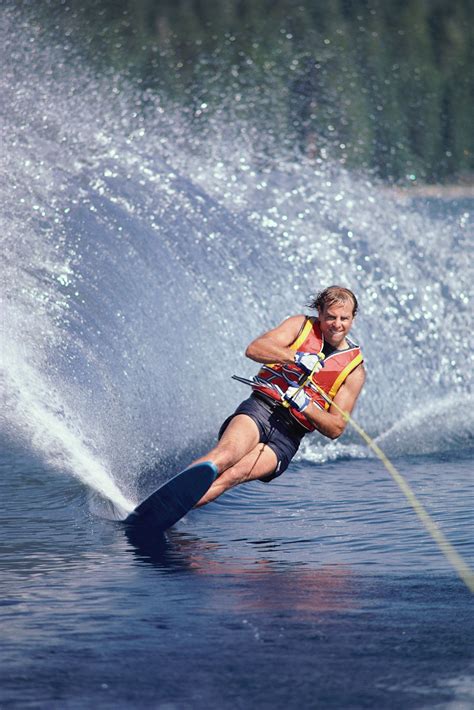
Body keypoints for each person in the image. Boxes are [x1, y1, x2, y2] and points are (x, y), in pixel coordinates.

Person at [194, 285, 365, 507]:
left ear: (353, 318)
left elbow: (336, 428)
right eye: (331, 317)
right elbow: (255, 349)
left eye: (344, 318)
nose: (337, 324)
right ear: (320, 313)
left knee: (233, 475)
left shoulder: (354, 371)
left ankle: (166, 513)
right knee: (226, 455)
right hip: (261, 409)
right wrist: (296, 357)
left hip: (289, 436)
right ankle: (169, 496)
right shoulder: (299, 326)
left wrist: (306, 405)